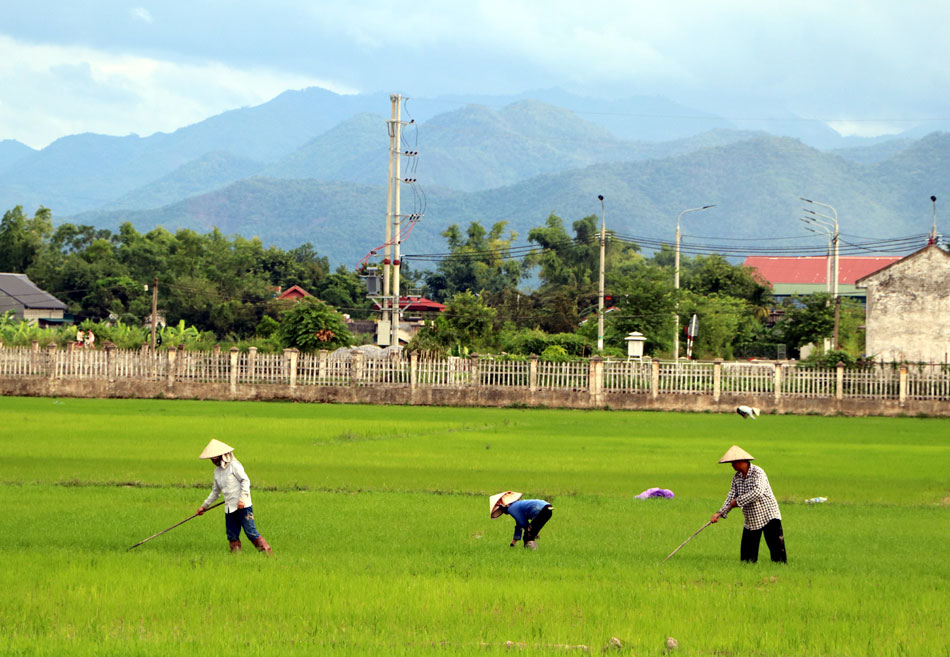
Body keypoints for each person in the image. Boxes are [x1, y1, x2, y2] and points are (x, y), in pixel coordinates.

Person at [710, 445, 786, 563]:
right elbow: (731, 497)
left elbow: (757, 492)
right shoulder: (737, 478)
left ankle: (780, 571)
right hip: (752, 517)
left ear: (741, 461)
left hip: (768, 514)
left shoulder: (758, 473)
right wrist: (719, 513)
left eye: (733, 463)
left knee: (777, 553)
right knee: (747, 559)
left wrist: (738, 502)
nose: (732, 465)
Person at [196, 439, 272, 554]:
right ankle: (236, 559)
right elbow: (215, 492)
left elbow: (245, 481)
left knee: (251, 533)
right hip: (229, 507)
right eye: (211, 459)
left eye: (214, 458)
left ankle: (268, 555)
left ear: (221, 456)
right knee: (232, 535)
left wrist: (242, 499)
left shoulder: (234, 466)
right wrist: (204, 506)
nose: (212, 461)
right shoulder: (217, 472)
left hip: (243, 507)